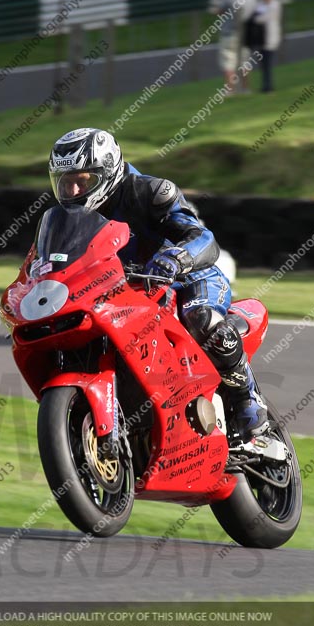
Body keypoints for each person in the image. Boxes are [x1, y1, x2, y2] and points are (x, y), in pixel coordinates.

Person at [48, 128, 269, 441]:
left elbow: (203, 238)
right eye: (63, 182)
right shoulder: (66, 218)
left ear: (107, 171)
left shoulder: (151, 191)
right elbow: (51, 261)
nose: (72, 191)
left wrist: (176, 259)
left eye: (82, 181)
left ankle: (247, 399)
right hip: (127, 291)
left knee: (201, 319)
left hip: (186, 279)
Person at [216, 0, 255, 95]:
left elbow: (220, 11)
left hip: (229, 33)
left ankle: (230, 89)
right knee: (245, 61)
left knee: (228, 61)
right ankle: (245, 88)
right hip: (245, 32)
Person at [254, 0, 282, 92]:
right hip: (261, 38)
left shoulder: (275, 4)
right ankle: (265, 85)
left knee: (268, 63)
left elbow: (263, 18)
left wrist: (256, 19)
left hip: (270, 38)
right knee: (263, 63)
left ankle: (268, 86)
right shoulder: (261, 4)